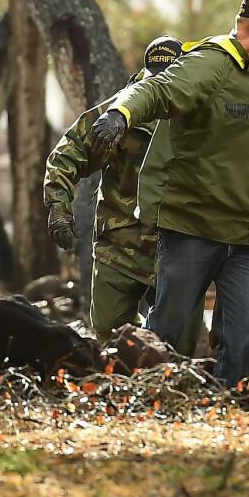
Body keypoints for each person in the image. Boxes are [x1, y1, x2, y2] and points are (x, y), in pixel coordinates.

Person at [88, 0, 249, 387]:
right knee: (165, 334)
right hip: (193, 228)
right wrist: (121, 113)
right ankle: (142, 401)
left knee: (243, 340)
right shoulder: (212, 62)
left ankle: (223, 408)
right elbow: (157, 88)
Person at [44, 36, 183, 343]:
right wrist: (58, 205)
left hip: (179, 248)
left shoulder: (201, 113)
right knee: (109, 336)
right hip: (120, 244)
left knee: (175, 344)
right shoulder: (119, 110)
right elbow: (70, 151)